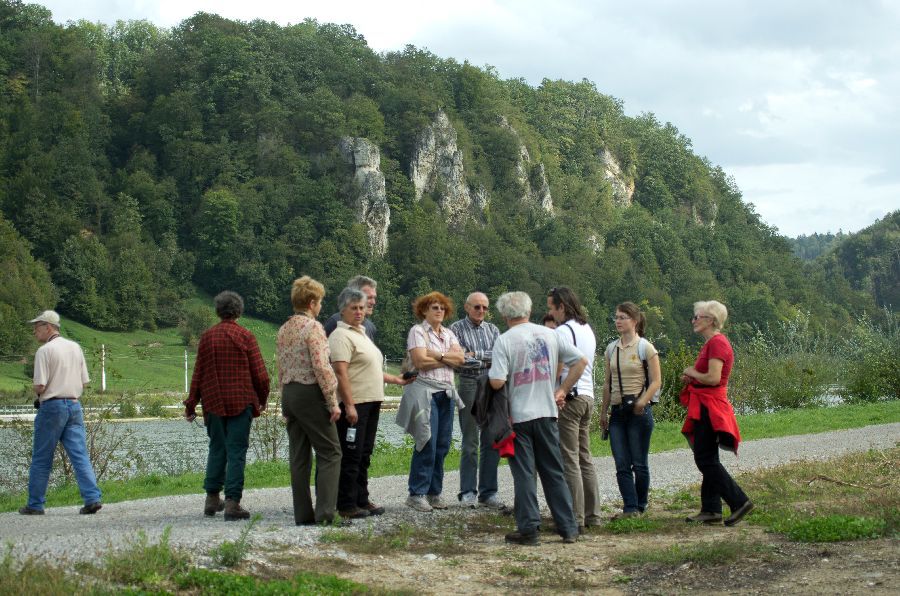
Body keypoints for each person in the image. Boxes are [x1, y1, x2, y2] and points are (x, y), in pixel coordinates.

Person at [489, 291, 588, 545]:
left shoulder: (504, 340)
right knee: (553, 471)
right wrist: (563, 389)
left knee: (524, 473)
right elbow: (581, 361)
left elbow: (498, 381)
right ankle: (568, 528)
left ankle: (529, 528)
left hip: (520, 416)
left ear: (503, 315)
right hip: (547, 413)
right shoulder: (551, 334)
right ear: (529, 311)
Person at [184, 291, 270, 521]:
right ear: (239, 311)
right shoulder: (246, 336)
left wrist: (191, 404)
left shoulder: (207, 337)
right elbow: (261, 375)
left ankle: (212, 498)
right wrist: (262, 399)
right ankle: (232, 502)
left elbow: (198, 374)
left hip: (212, 402)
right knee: (237, 451)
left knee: (217, 448)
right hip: (241, 402)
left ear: (218, 311)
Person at [329, 287, 410, 519]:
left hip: (372, 401)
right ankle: (345, 503)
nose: (358, 312)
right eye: (353, 308)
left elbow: (371, 369)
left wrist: (396, 380)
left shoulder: (362, 334)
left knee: (364, 453)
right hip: (355, 403)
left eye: (362, 308)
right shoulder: (340, 336)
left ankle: (361, 498)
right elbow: (341, 372)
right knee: (351, 454)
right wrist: (350, 404)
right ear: (342, 310)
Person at [20, 310, 102, 516]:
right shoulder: (75, 347)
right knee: (79, 454)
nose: (34, 332)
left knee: (41, 457)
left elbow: (39, 385)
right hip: (74, 405)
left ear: (48, 327)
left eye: (36, 327)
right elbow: (85, 382)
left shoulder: (45, 351)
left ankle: (35, 504)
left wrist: (37, 391)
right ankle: (92, 498)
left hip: (52, 407)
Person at [276, 276, 343, 526]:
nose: (321, 306)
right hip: (309, 392)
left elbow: (280, 367)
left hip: (290, 393)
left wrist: (284, 400)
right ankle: (325, 513)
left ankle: (303, 514)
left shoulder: (284, 329)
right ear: (313, 302)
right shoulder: (313, 328)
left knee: (299, 455)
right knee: (330, 451)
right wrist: (332, 401)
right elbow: (321, 366)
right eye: (320, 302)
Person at [680, 300, 754, 526]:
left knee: (704, 458)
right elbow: (709, 376)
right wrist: (693, 377)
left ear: (710, 320)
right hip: (705, 404)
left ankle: (739, 501)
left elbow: (713, 378)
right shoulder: (711, 343)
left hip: (710, 406)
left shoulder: (717, 343)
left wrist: (693, 372)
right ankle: (711, 508)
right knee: (708, 456)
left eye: (697, 317)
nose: (693, 321)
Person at [397, 291, 465, 512]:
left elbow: (461, 359)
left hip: (446, 393)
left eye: (442, 308)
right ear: (424, 310)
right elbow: (419, 361)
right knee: (427, 441)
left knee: (443, 444)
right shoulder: (417, 331)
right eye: (434, 307)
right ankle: (416, 493)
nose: (439, 311)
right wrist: (447, 360)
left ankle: (434, 493)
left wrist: (436, 356)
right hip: (425, 392)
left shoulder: (449, 333)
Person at [600, 302, 662, 519]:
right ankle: (630, 507)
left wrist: (642, 402)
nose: (618, 321)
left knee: (639, 462)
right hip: (617, 412)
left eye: (623, 317)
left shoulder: (645, 347)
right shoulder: (611, 349)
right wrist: (603, 412)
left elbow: (656, 381)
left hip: (638, 412)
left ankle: (640, 505)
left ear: (634, 321)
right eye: (616, 317)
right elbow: (607, 384)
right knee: (621, 463)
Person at [546, 287, 601, 530]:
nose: (550, 312)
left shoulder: (562, 331)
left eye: (551, 307)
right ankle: (593, 515)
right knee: (584, 458)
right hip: (588, 395)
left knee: (569, 459)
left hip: (571, 397)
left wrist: (558, 390)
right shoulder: (586, 329)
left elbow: (559, 367)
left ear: (562, 307)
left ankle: (574, 517)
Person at [449, 292, 505, 509]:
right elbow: (461, 360)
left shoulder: (493, 330)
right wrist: (479, 356)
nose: (481, 311)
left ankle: (488, 493)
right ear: (466, 307)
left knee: (491, 441)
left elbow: (500, 356)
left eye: (484, 307)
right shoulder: (456, 329)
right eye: (477, 307)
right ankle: (468, 491)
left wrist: (475, 354)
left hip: (492, 385)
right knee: (470, 441)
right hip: (469, 384)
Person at [323, 275, 377, 342]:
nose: (373, 302)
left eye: (374, 297)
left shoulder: (370, 327)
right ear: (354, 295)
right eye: (369, 298)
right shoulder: (335, 321)